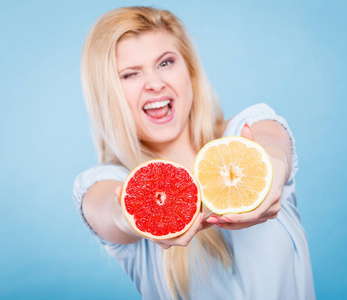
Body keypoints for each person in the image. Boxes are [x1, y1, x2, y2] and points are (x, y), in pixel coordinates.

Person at [73, 6, 315, 300]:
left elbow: (272, 145)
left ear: (189, 68)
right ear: (106, 92)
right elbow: (108, 210)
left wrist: (272, 171)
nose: (154, 83)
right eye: (130, 74)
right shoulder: (107, 180)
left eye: (165, 63)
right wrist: (133, 215)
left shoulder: (243, 133)